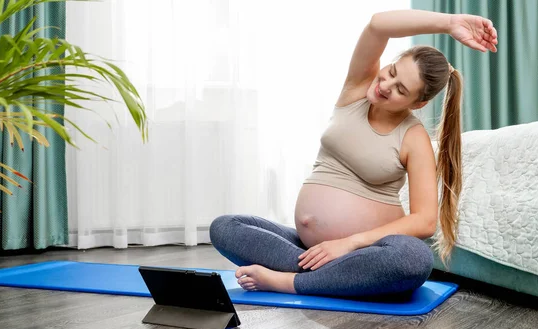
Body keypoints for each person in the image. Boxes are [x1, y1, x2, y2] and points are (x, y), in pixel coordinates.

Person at [209, 9, 498, 297]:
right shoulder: (357, 90)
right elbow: (377, 26)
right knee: (225, 227)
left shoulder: (413, 138)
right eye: (391, 72)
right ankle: (334, 277)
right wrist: (449, 23)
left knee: (413, 259)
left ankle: (288, 282)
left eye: (400, 89)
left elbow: (424, 221)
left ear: (417, 104)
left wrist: (350, 243)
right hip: (307, 248)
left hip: (364, 251)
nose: (384, 85)